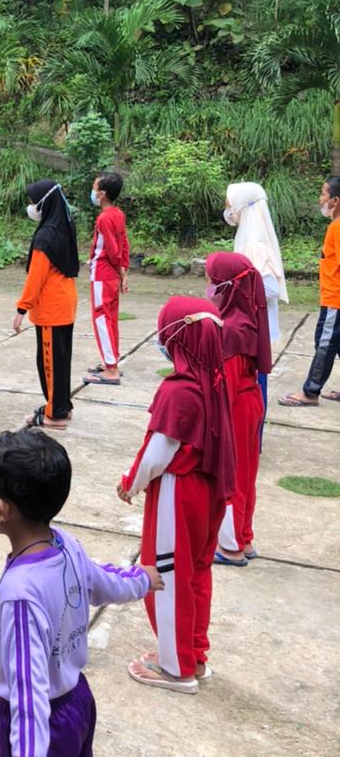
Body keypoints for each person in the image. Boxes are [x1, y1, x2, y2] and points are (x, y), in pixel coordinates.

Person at [0, 428, 160, 757]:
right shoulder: (65, 545)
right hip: (77, 704)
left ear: (2, 510)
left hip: (46, 722)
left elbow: (27, 696)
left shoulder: (20, 595)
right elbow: (104, 583)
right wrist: (141, 580)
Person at [117, 297, 236, 694]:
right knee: (198, 573)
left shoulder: (179, 391)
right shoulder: (216, 381)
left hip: (178, 492)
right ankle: (195, 655)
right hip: (210, 491)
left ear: (178, 340)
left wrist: (130, 483)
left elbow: (158, 453)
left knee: (166, 575)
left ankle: (174, 666)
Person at [205, 252, 271, 567]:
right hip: (250, 402)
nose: (208, 288)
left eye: (212, 282)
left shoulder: (230, 328)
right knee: (246, 473)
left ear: (227, 287)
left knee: (229, 473)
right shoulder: (248, 316)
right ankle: (244, 536)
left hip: (236, 404)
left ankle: (230, 546)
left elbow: (226, 382)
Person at [13, 181, 79, 431]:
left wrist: (21, 308)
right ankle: (61, 405)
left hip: (52, 308)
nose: (31, 207)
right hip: (64, 303)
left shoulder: (45, 236)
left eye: (33, 202)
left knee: (49, 363)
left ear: (45, 203)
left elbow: (36, 278)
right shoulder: (64, 226)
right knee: (61, 361)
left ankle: (55, 414)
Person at [223, 181, 287, 425]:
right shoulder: (247, 235)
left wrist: (233, 291)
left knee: (254, 383)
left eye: (230, 205)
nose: (228, 210)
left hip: (253, 328)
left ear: (243, 205)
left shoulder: (254, 243)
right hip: (250, 326)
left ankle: (252, 435)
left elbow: (269, 287)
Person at [278, 176, 340, 408]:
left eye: (324, 194)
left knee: (324, 344)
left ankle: (310, 392)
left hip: (336, 300)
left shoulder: (338, 227)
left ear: (335, 200)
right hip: (332, 298)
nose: (320, 199)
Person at [84, 171, 130, 385]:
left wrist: (120, 268)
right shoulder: (118, 214)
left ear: (101, 194)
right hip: (111, 274)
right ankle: (110, 360)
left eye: (94, 189)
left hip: (103, 274)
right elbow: (123, 244)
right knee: (110, 318)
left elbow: (112, 250)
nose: (92, 192)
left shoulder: (104, 218)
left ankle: (111, 368)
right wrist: (123, 271)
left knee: (101, 318)